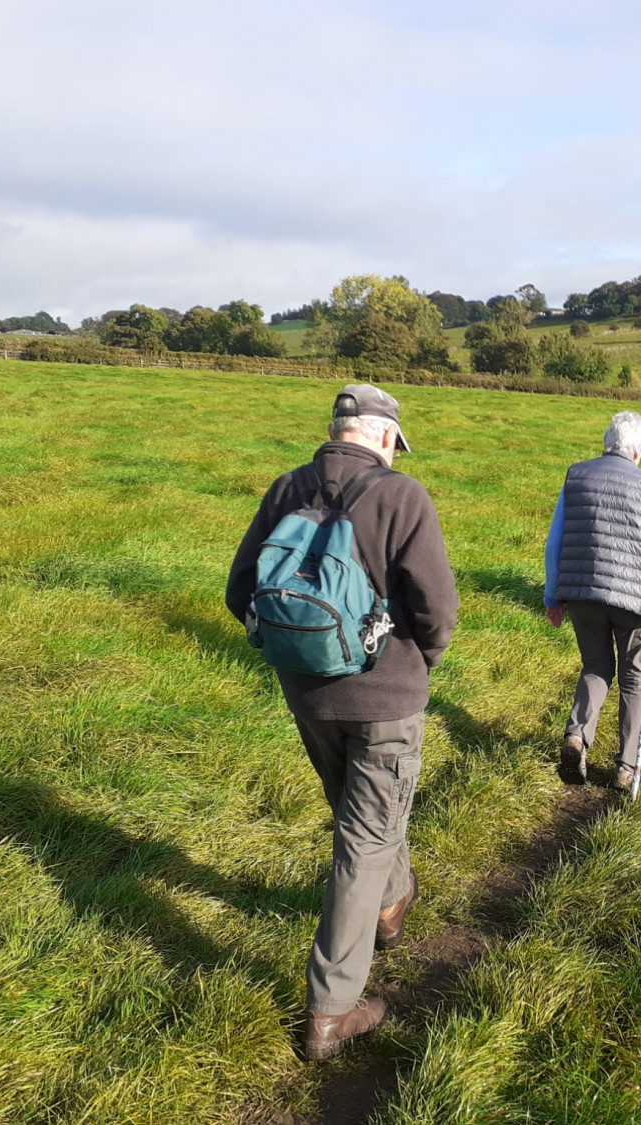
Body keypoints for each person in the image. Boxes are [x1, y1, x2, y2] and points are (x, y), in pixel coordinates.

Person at [225, 384, 457, 1061]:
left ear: (336, 432)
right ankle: (331, 1009)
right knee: (361, 843)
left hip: (307, 697)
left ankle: (392, 904)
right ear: (385, 438)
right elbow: (436, 610)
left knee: (365, 820)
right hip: (386, 700)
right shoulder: (402, 495)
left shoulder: (285, 488)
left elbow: (241, 590)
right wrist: (421, 663)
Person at [544, 411, 641, 792]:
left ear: (607, 442)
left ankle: (576, 737)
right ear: (639, 450)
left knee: (596, 665)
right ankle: (625, 766)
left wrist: (552, 595)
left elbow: (554, 542)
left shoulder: (576, 476)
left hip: (583, 593)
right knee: (635, 678)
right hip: (636, 599)